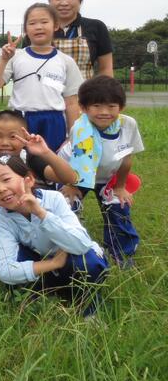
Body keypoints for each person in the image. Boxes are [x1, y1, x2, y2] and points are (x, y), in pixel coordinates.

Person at [0, 154, 108, 316]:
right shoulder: (2, 217)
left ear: (28, 179)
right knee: (14, 274)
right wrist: (53, 263)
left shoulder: (54, 199)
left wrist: (40, 213)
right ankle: (42, 303)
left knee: (88, 262)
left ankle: (89, 310)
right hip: (46, 265)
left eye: (6, 179)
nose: (1, 189)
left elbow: (82, 244)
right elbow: (5, 270)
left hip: (71, 258)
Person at [58, 76, 144, 268]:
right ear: (83, 107)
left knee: (119, 205)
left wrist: (120, 187)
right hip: (74, 176)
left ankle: (121, 253)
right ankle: (72, 250)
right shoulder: (80, 129)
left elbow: (126, 159)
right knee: (66, 205)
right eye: (96, 106)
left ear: (121, 107)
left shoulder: (128, 125)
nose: (104, 112)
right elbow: (74, 162)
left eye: (111, 106)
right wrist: (71, 185)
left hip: (109, 176)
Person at [0, 110, 77, 244]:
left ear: (24, 138)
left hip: (36, 211)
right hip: (5, 210)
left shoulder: (31, 158)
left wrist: (46, 152)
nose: (5, 142)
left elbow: (70, 178)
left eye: (13, 137)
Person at [0, 3, 82, 152]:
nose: (38, 27)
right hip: (20, 121)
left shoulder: (66, 61)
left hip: (54, 122)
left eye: (44, 22)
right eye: (32, 23)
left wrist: (72, 136)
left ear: (56, 25)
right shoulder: (16, 57)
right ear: (25, 29)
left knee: (51, 163)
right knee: (20, 163)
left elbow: (71, 103)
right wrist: (4, 59)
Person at [46, 0, 113, 79]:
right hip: (46, 90)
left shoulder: (97, 27)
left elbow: (106, 69)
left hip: (85, 89)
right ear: (49, 0)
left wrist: (105, 89)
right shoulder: (38, 30)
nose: (64, 3)